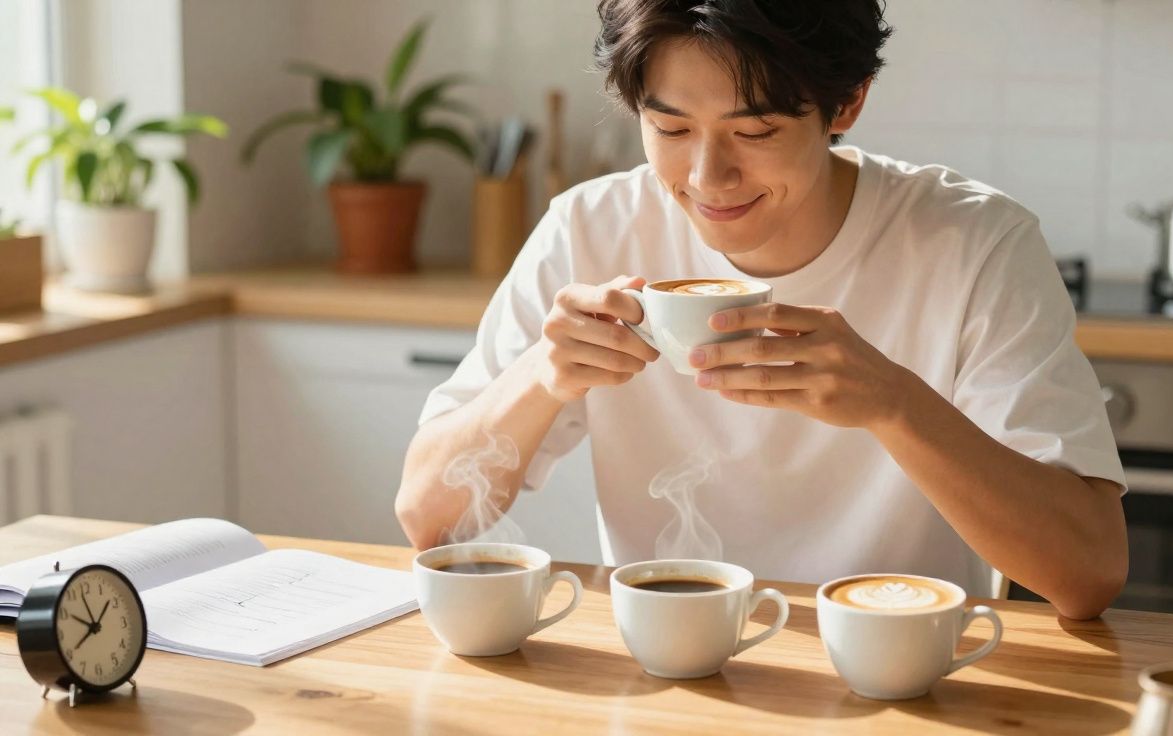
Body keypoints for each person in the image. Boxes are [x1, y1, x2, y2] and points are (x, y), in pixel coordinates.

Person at [395, 0, 1128, 619]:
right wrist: (542, 375)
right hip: (672, 673)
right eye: (672, 130)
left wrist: (897, 404)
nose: (708, 178)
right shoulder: (590, 230)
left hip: (901, 680)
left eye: (755, 132)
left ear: (847, 102)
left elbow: (1087, 572)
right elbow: (428, 520)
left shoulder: (974, 244)